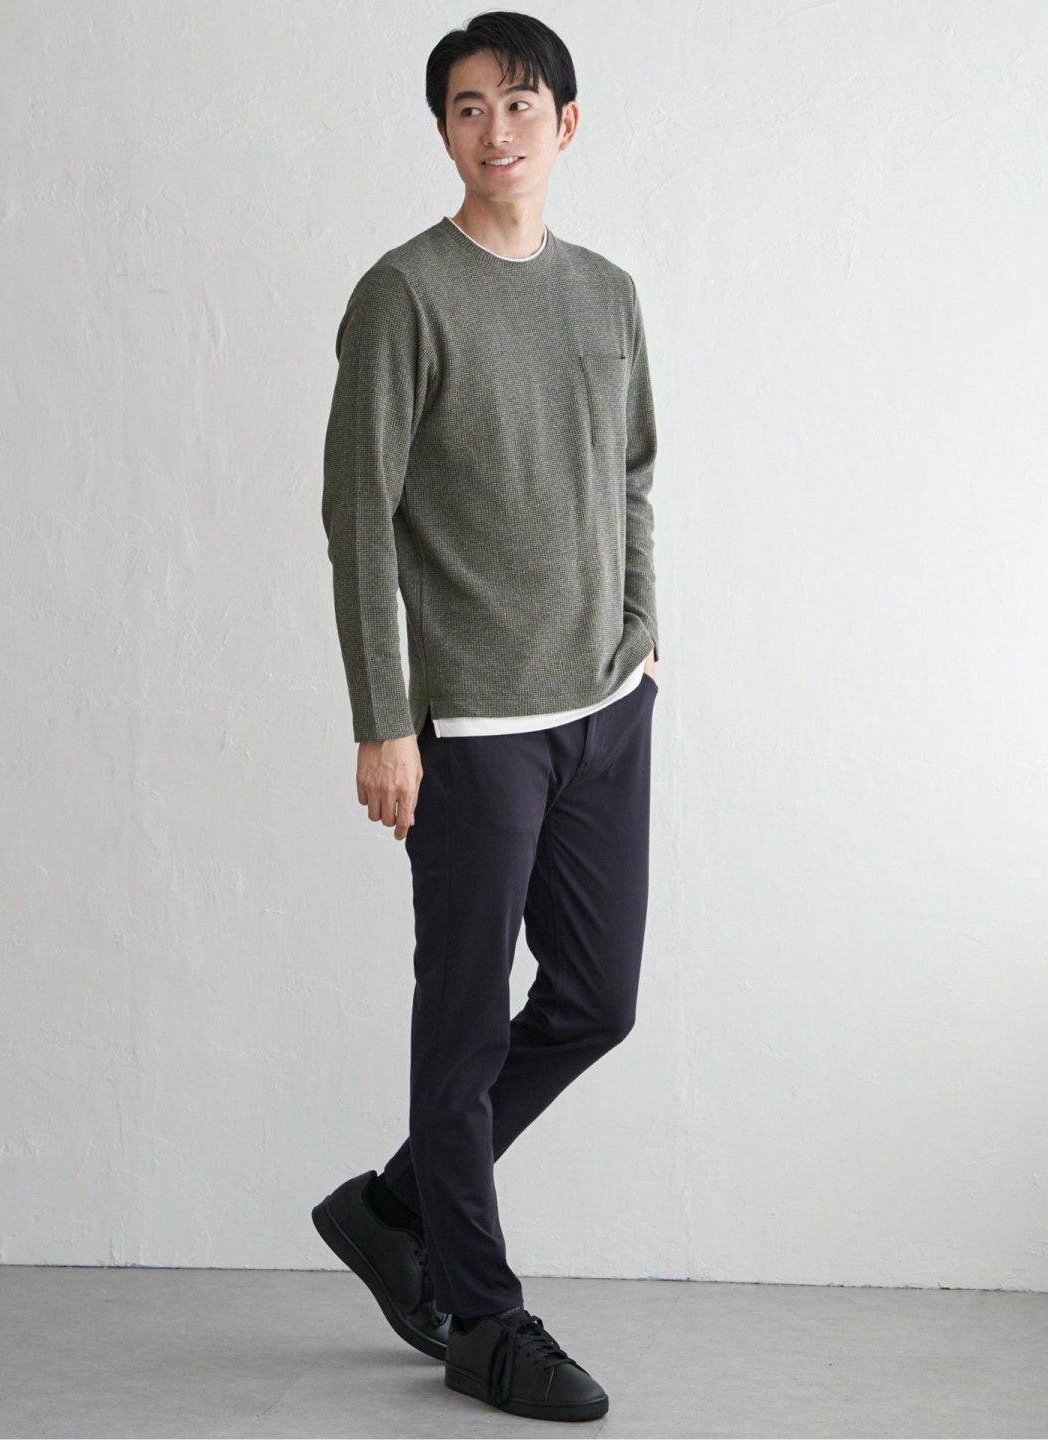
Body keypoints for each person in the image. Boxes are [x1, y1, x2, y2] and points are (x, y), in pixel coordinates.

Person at [313, 10, 659, 1423]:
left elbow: (634, 471)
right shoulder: (403, 295)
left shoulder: (607, 293)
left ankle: (396, 1208)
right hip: (471, 729)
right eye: (468, 107)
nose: (496, 129)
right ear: (444, 131)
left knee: (595, 1001)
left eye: (521, 104)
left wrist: (643, 631)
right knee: (461, 1030)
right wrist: (384, 720)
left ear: (565, 124)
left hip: (609, 708)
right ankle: (479, 1314)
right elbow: (358, 517)